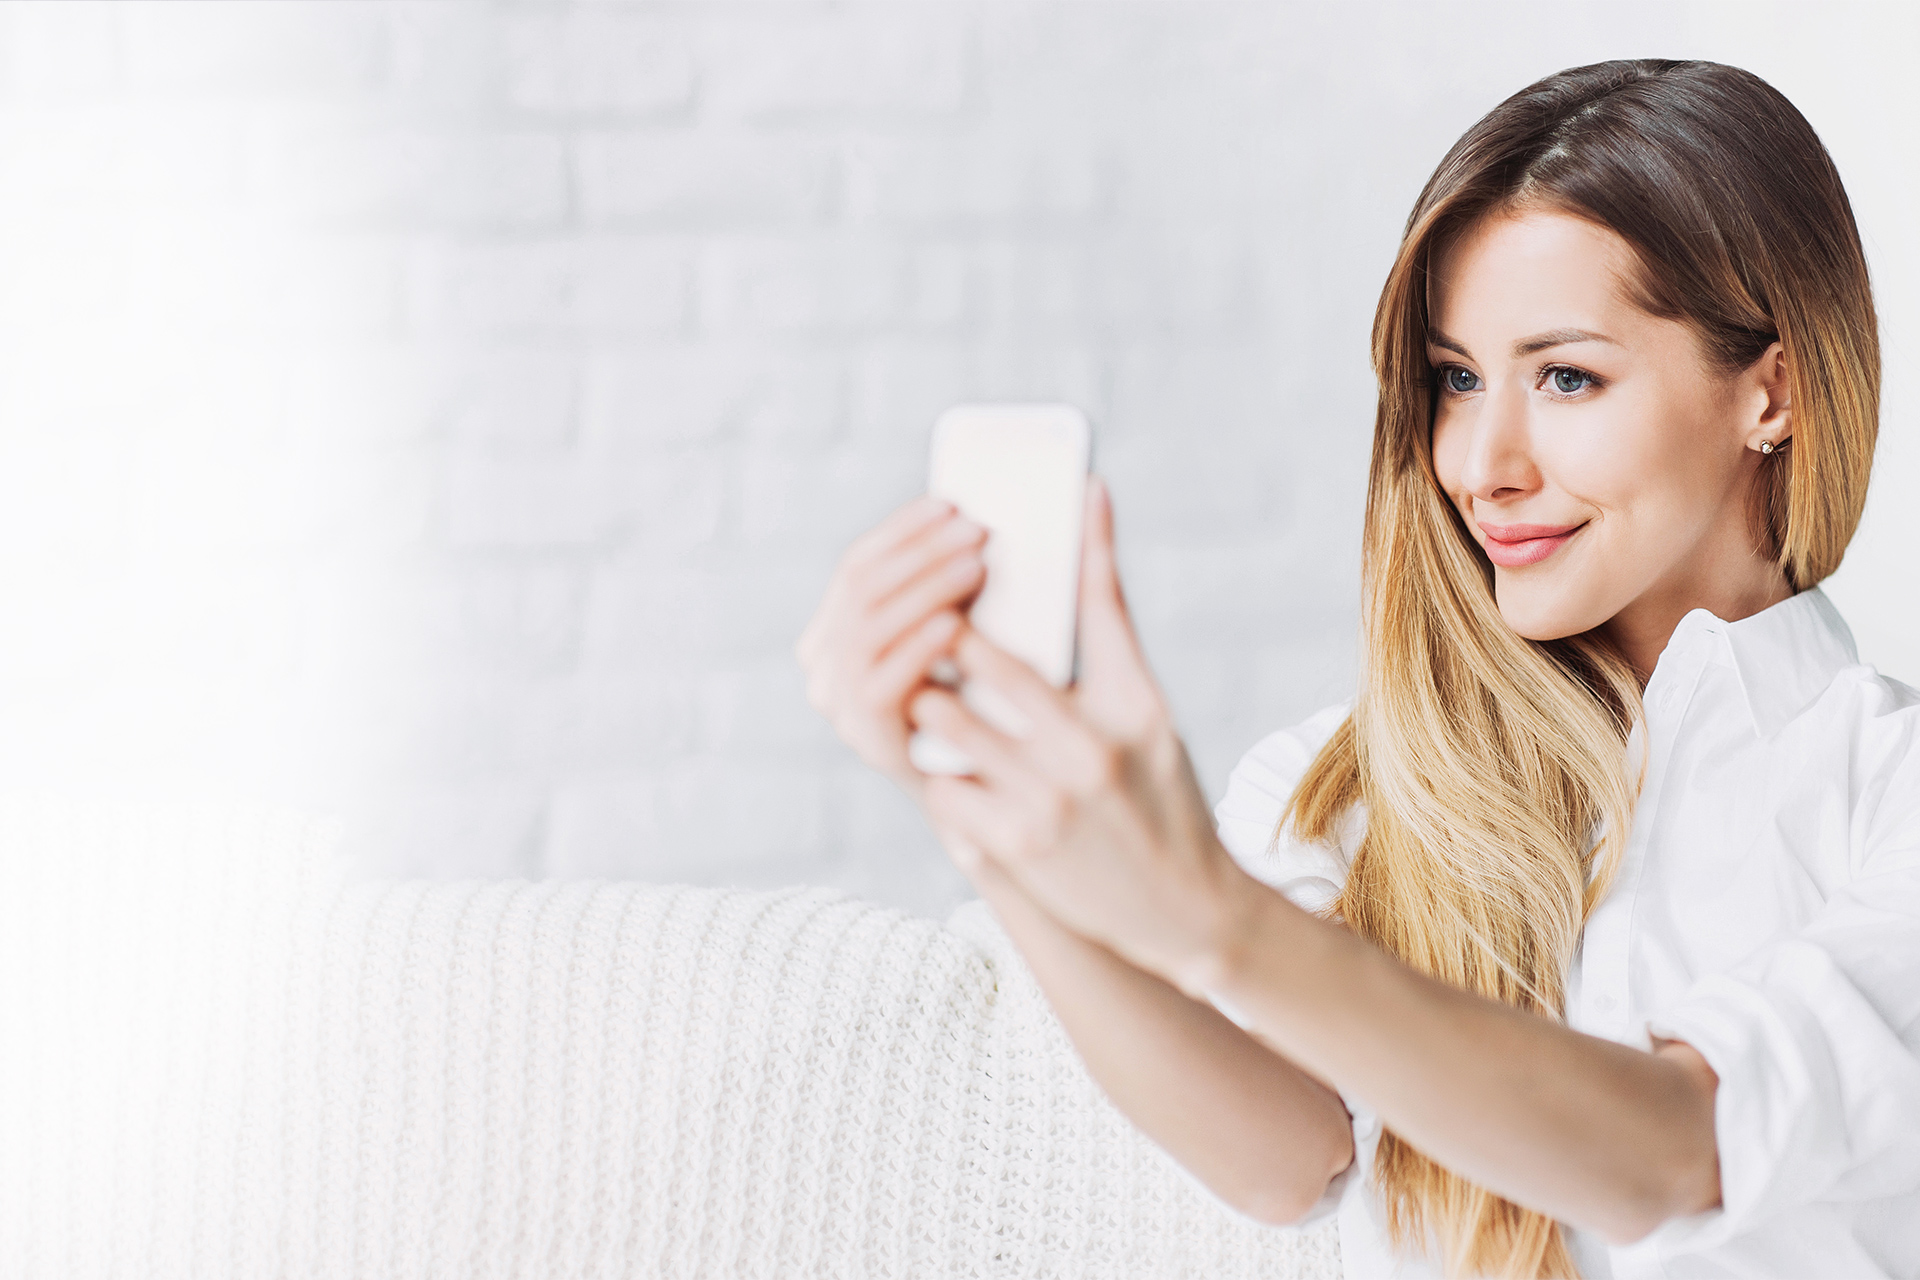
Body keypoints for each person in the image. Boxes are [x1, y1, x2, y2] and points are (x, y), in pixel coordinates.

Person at [795, 59, 1919, 1280]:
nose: (1480, 464)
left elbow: (1677, 1151)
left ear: (1772, 392)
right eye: (1456, 379)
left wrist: (1212, 918)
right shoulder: (1343, 785)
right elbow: (1285, 1160)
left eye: (1566, 376)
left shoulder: (1885, 790)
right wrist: (985, 818)